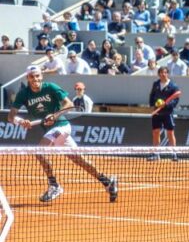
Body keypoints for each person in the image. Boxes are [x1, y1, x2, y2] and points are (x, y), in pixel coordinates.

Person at [5, 66, 117, 203]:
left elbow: (68, 104)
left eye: (37, 76)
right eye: (32, 77)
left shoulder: (51, 87)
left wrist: (55, 115)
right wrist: (21, 121)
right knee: (79, 160)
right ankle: (107, 182)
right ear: (27, 78)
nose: (35, 79)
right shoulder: (23, 94)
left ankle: (54, 185)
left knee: (39, 151)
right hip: (50, 131)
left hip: (62, 126)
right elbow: (10, 117)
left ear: (41, 76)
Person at [149, 66, 180, 161]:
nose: (163, 74)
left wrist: (166, 105)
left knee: (170, 133)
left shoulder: (173, 86)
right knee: (155, 132)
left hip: (167, 113)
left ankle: (174, 154)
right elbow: (152, 96)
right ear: (159, 74)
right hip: (157, 112)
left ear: (167, 73)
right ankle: (156, 154)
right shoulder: (156, 84)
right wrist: (154, 104)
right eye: (161, 72)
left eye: (165, 72)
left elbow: (175, 100)